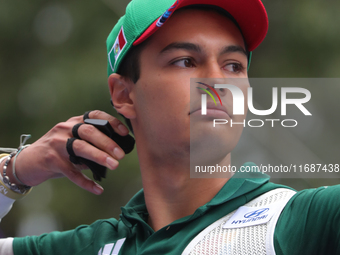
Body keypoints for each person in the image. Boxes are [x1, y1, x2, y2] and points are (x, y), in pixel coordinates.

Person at [0, 0, 340, 254]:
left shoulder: (304, 222)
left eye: (233, 65)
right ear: (124, 94)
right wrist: (17, 172)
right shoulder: (95, 246)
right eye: (185, 61)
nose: (217, 83)